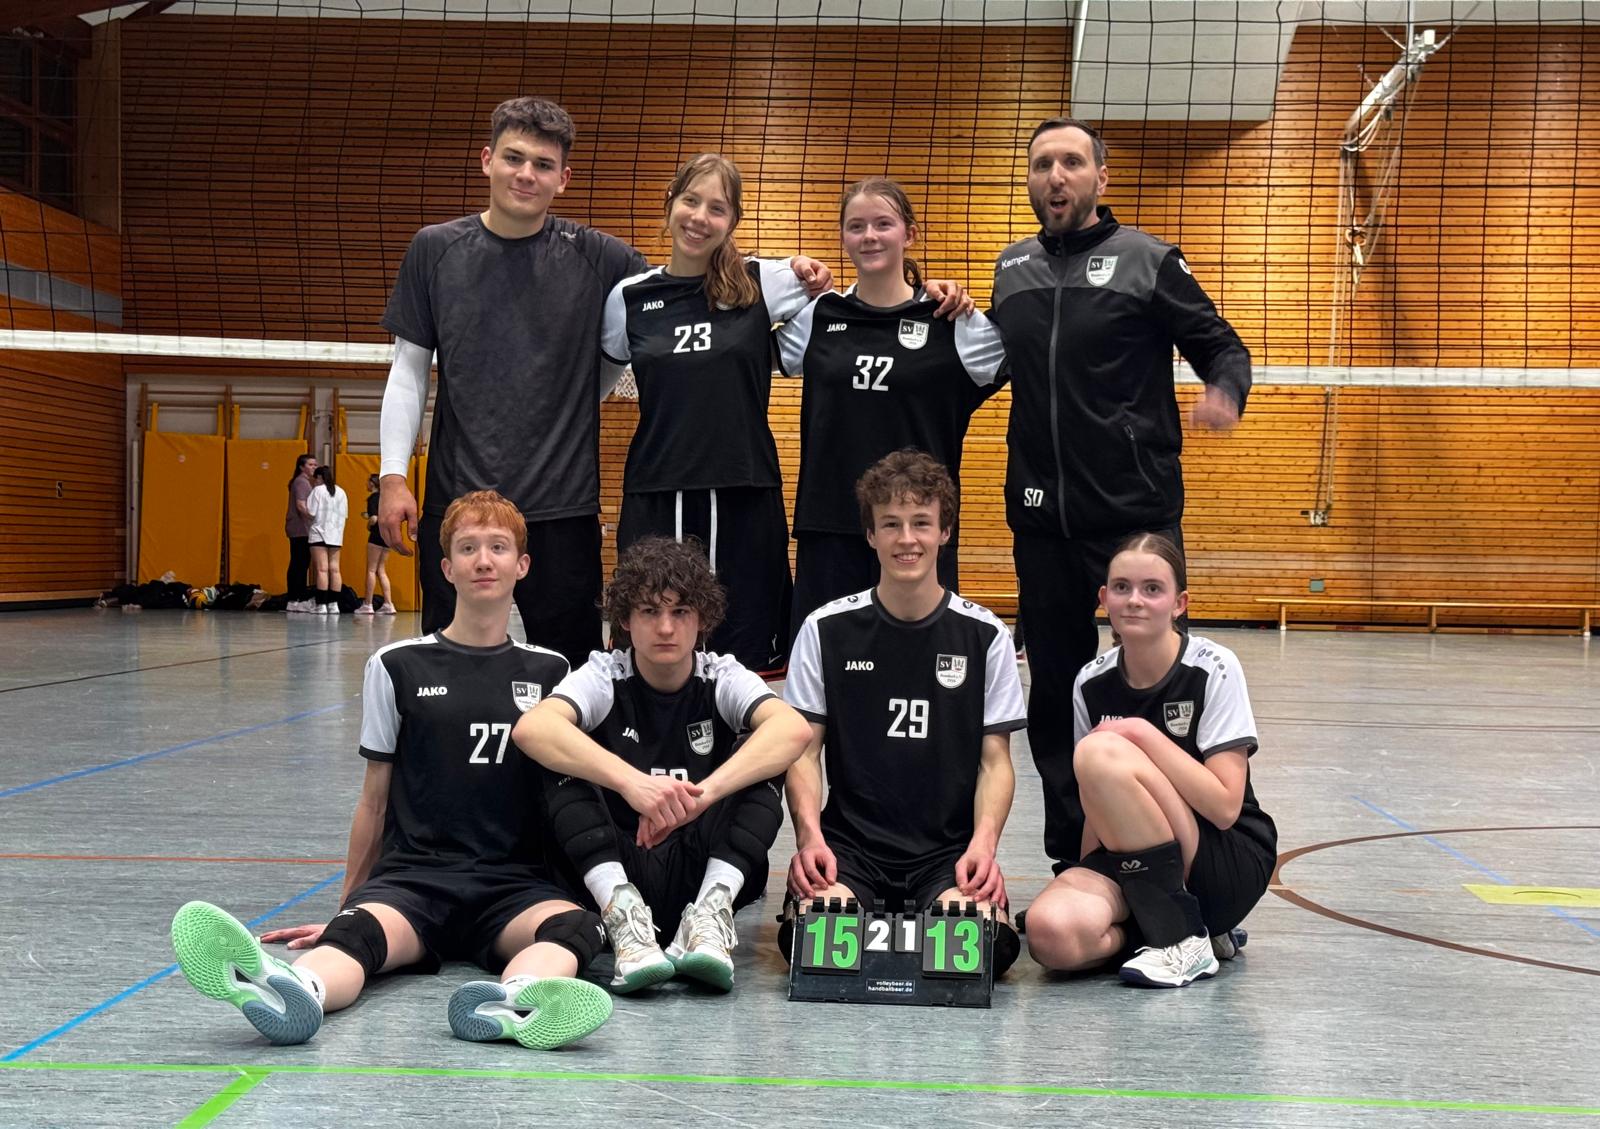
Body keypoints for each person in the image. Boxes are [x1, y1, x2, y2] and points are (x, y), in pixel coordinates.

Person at [378, 102, 828, 666]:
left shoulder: (603, 260)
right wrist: (393, 477)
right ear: (487, 160)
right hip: (460, 498)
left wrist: (803, 270)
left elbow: (688, 283)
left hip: (565, 505)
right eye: (514, 158)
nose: (526, 174)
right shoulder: (434, 249)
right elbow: (408, 370)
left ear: (563, 179)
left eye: (543, 164)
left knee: (573, 670)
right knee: (452, 662)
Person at [169, 490, 613, 1050]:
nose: (483, 560)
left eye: (498, 547)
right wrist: (346, 907)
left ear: (521, 565)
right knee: (357, 936)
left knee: (578, 928)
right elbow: (374, 800)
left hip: (513, 887)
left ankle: (513, 1001)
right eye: (468, 548)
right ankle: (295, 990)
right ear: (445, 567)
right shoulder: (396, 665)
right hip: (414, 882)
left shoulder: (553, 670)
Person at [990, 116, 1253, 867]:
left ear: (1100, 179)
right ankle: (1077, 859)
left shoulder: (1148, 260)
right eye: (1042, 163)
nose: (1056, 176)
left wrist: (1225, 392)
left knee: (1152, 684)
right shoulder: (1012, 271)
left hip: (1134, 517)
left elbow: (1222, 344)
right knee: (1054, 698)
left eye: (1072, 162)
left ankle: (1184, 860)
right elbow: (986, 367)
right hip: (1042, 520)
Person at [514, 536, 812, 993]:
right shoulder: (605, 673)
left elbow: (793, 730)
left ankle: (711, 916)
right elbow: (532, 728)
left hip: (700, 864)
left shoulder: (721, 674)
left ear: (702, 619)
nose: (666, 627)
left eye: (680, 612)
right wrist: (632, 784)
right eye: (651, 612)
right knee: (557, 759)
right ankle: (622, 918)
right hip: (617, 859)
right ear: (627, 621)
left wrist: (703, 797)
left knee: (768, 759)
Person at [781, 450, 1026, 975]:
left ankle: (933, 910)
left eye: (921, 523)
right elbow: (803, 751)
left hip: (946, 854)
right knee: (814, 949)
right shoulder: (825, 629)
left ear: (945, 532)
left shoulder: (985, 636)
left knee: (985, 953)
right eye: (890, 524)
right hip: (850, 848)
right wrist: (809, 838)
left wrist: (983, 847)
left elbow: (995, 761)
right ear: (870, 534)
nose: (906, 539)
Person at [599, 154, 839, 675]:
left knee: (748, 653)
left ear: (732, 221)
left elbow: (830, 301)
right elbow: (595, 382)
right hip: (658, 490)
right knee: (657, 642)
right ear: (670, 204)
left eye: (717, 208)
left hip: (744, 491)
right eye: (691, 201)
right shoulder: (629, 299)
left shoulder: (763, 282)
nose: (699, 217)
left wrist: (804, 278)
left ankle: (749, 755)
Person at [1020, 532, 1276, 987]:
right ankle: (1185, 931)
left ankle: (1181, 937)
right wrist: (1084, 875)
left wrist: (1140, 733)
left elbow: (1223, 807)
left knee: (1102, 750)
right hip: (1138, 862)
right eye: (1121, 587)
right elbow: (1096, 800)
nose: (1134, 600)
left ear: (1179, 603)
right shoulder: (1091, 681)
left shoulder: (1213, 666)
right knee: (1050, 934)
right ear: (1104, 598)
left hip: (1223, 858)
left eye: (1152, 589)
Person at [776, 177, 1005, 638]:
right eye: (856, 226)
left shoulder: (950, 320)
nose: (870, 236)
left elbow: (1033, 364)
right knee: (826, 668)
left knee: (917, 664)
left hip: (916, 527)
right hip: (831, 522)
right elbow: (739, 340)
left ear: (909, 233)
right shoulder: (818, 317)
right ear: (842, 236)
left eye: (883, 224)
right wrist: (787, 270)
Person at [306, 464, 349, 615]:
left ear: (319, 477)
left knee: (322, 570)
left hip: (319, 533)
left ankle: (321, 605)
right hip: (336, 535)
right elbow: (345, 515)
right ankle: (334, 605)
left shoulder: (317, 490)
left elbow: (311, 512)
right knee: (335, 569)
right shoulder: (341, 492)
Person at [356, 472, 396, 615]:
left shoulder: (373, 498)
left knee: (371, 570)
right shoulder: (387, 499)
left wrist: (368, 525)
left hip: (376, 535)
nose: (366, 484)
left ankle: (368, 604)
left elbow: (374, 518)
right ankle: (389, 603)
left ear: (372, 484)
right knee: (381, 570)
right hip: (387, 536)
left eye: (368, 481)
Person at [284, 453, 317, 613]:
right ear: (301, 467)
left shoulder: (302, 482)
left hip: (299, 528)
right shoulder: (302, 483)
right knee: (300, 563)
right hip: (300, 529)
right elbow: (301, 506)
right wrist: (315, 517)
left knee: (299, 563)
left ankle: (296, 598)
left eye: (314, 465)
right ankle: (296, 599)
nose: (313, 468)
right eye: (310, 465)